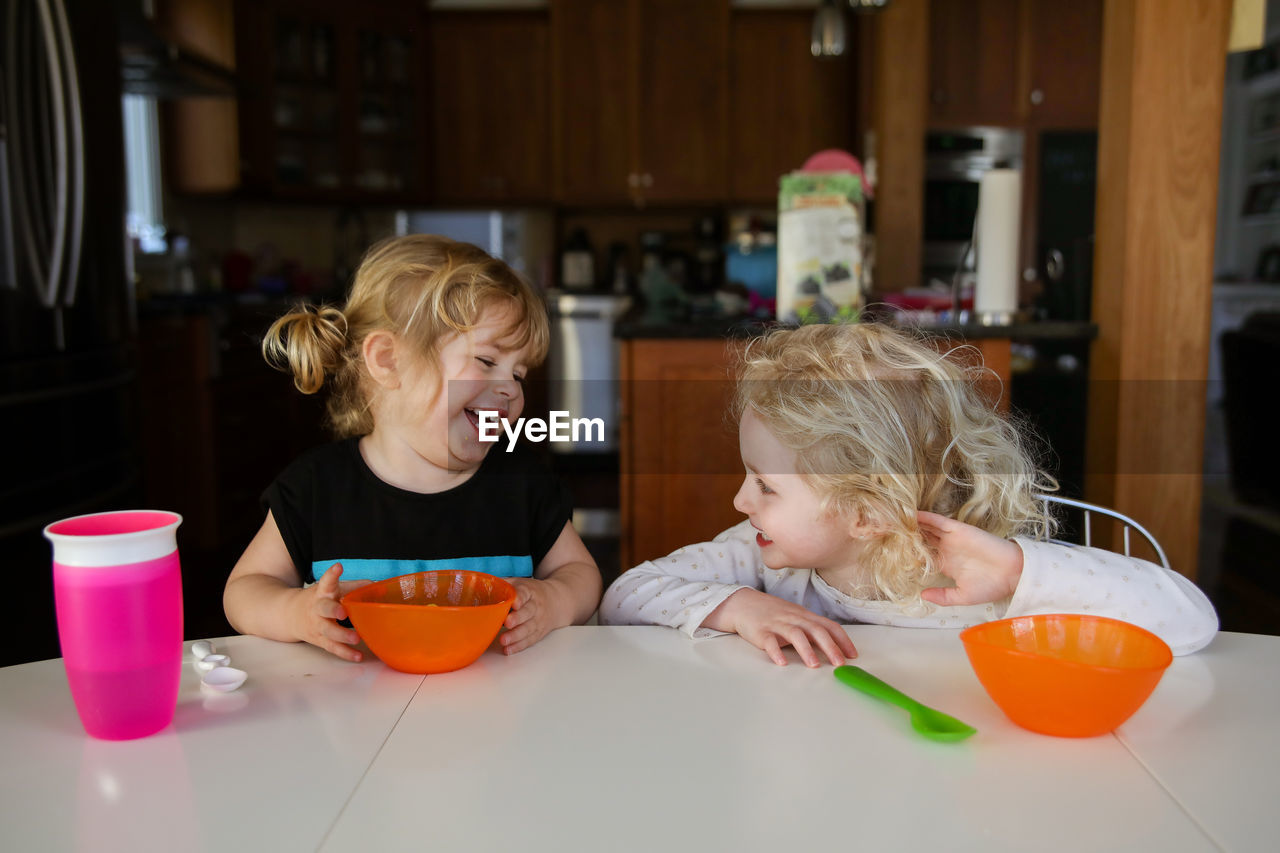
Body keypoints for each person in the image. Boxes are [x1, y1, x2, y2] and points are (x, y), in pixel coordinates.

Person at [600, 323, 1217, 666]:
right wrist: (740, 608)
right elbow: (623, 596)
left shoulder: (976, 578)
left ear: (867, 511)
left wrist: (1020, 571)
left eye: (765, 484)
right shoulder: (763, 556)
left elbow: (1191, 623)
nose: (740, 501)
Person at [224, 235, 602, 661]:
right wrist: (295, 612)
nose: (511, 391)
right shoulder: (316, 488)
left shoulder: (523, 482)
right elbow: (243, 592)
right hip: (359, 714)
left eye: (519, 374)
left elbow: (582, 575)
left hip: (495, 711)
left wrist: (553, 601)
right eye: (486, 362)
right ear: (388, 360)